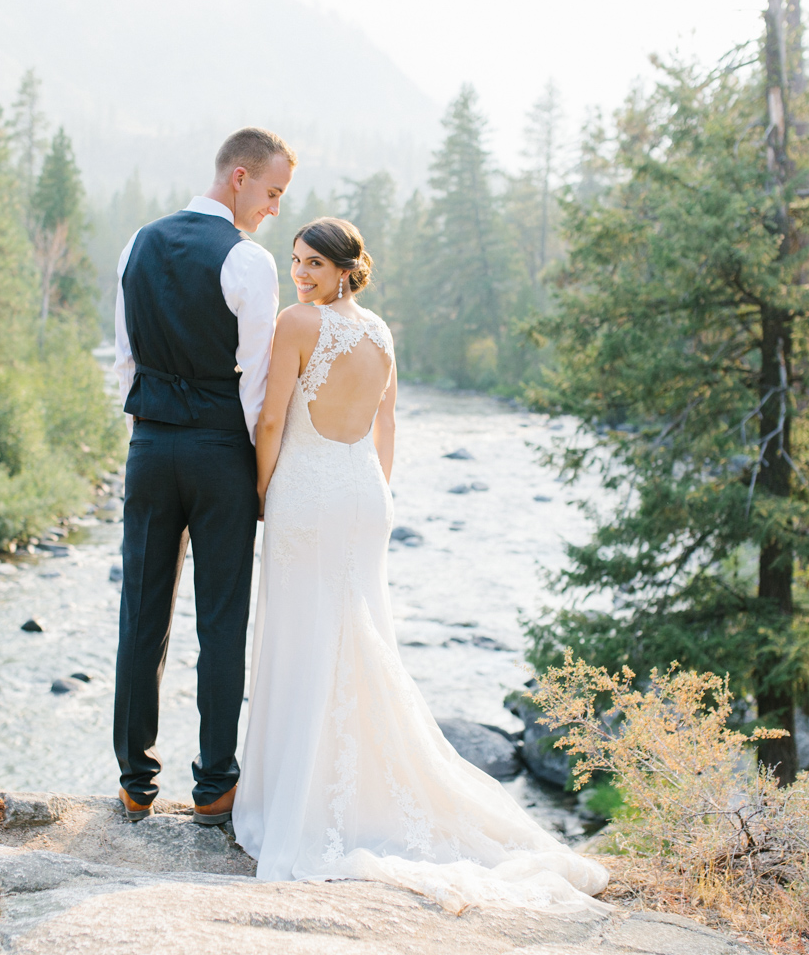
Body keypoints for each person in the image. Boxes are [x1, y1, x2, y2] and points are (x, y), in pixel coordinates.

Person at [231, 217, 610, 913]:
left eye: (315, 263)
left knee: (306, 636)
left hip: (309, 493)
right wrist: (377, 492)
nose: (301, 275)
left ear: (347, 267)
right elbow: (388, 425)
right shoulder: (380, 333)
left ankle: (300, 801)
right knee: (356, 636)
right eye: (296, 262)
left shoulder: (297, 324)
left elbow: (273, 424)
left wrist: (261, 492)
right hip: (363, 492)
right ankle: (357, 792)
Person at [112, 127, 294, 825]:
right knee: (221, 622)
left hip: (151, 446)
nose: (275, 207)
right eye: (273, 192)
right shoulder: (248, 261)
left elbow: (126, 360)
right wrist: (256, 475)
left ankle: (135, 782)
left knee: (142, 616)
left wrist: (147, 436)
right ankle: (215, 786)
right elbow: (256, 387)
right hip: (221, 450)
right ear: (240, 178)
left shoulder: (138, 243)